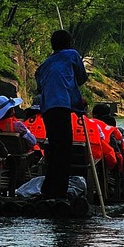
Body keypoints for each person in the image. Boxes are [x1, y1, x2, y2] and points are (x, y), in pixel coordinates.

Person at [34, 29, 90, 198]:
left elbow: (39, 83)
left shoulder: (45, 64)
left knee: (54, 147)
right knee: (64, 149)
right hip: (61, 105)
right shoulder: (72, 54)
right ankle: (59, 191)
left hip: (48, 108)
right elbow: (81, 78)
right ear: (69, 43)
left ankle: (49, 188)